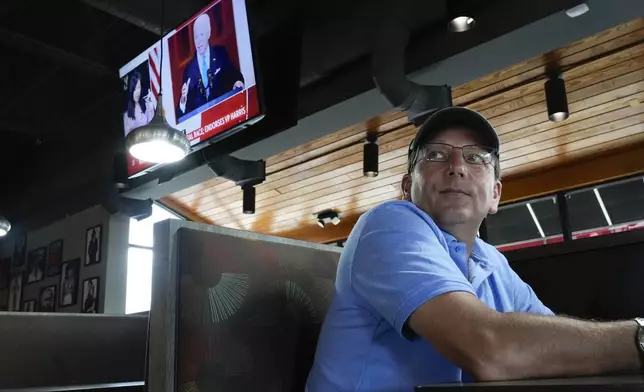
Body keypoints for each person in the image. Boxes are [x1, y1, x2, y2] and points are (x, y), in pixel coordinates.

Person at [306, 107, 644, 391]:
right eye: (436, 155)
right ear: (408, 188)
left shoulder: (491, 261)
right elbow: (490, 349)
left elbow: (554, 350)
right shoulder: (387, 224)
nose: (457, 167)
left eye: (476, 157)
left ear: (495, 195)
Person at [176, 13, 244, 118]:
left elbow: (233, 74)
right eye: (196, 37)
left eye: (202, 35)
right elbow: (182, 113)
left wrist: (236, 82)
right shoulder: (189, 70)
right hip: (203, 124)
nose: (198, 41)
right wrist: (183, 100)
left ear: (209, 33)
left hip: (225, 115)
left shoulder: (220, 53)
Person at [123, 70, 155, 135]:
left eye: (139, 88)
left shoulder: (147, 104)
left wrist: (151, 106)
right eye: (134, 89)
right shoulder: (126, 115)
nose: (137, 92)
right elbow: (127, 137)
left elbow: (153, 124)